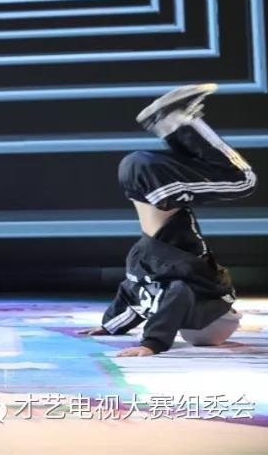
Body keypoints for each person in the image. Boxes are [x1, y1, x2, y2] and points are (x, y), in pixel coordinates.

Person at [78, 84, 253, 356]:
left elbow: (174, 296)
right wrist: (111, 327)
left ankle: (175, 121)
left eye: (231, 314)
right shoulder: (153, 284)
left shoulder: (197, 289)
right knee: (208, 168)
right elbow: (130, 295)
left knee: (243, 180)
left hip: (155, 185)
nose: (234, 312)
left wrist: (152, 343)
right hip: (141, 178)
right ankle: (172, 123)